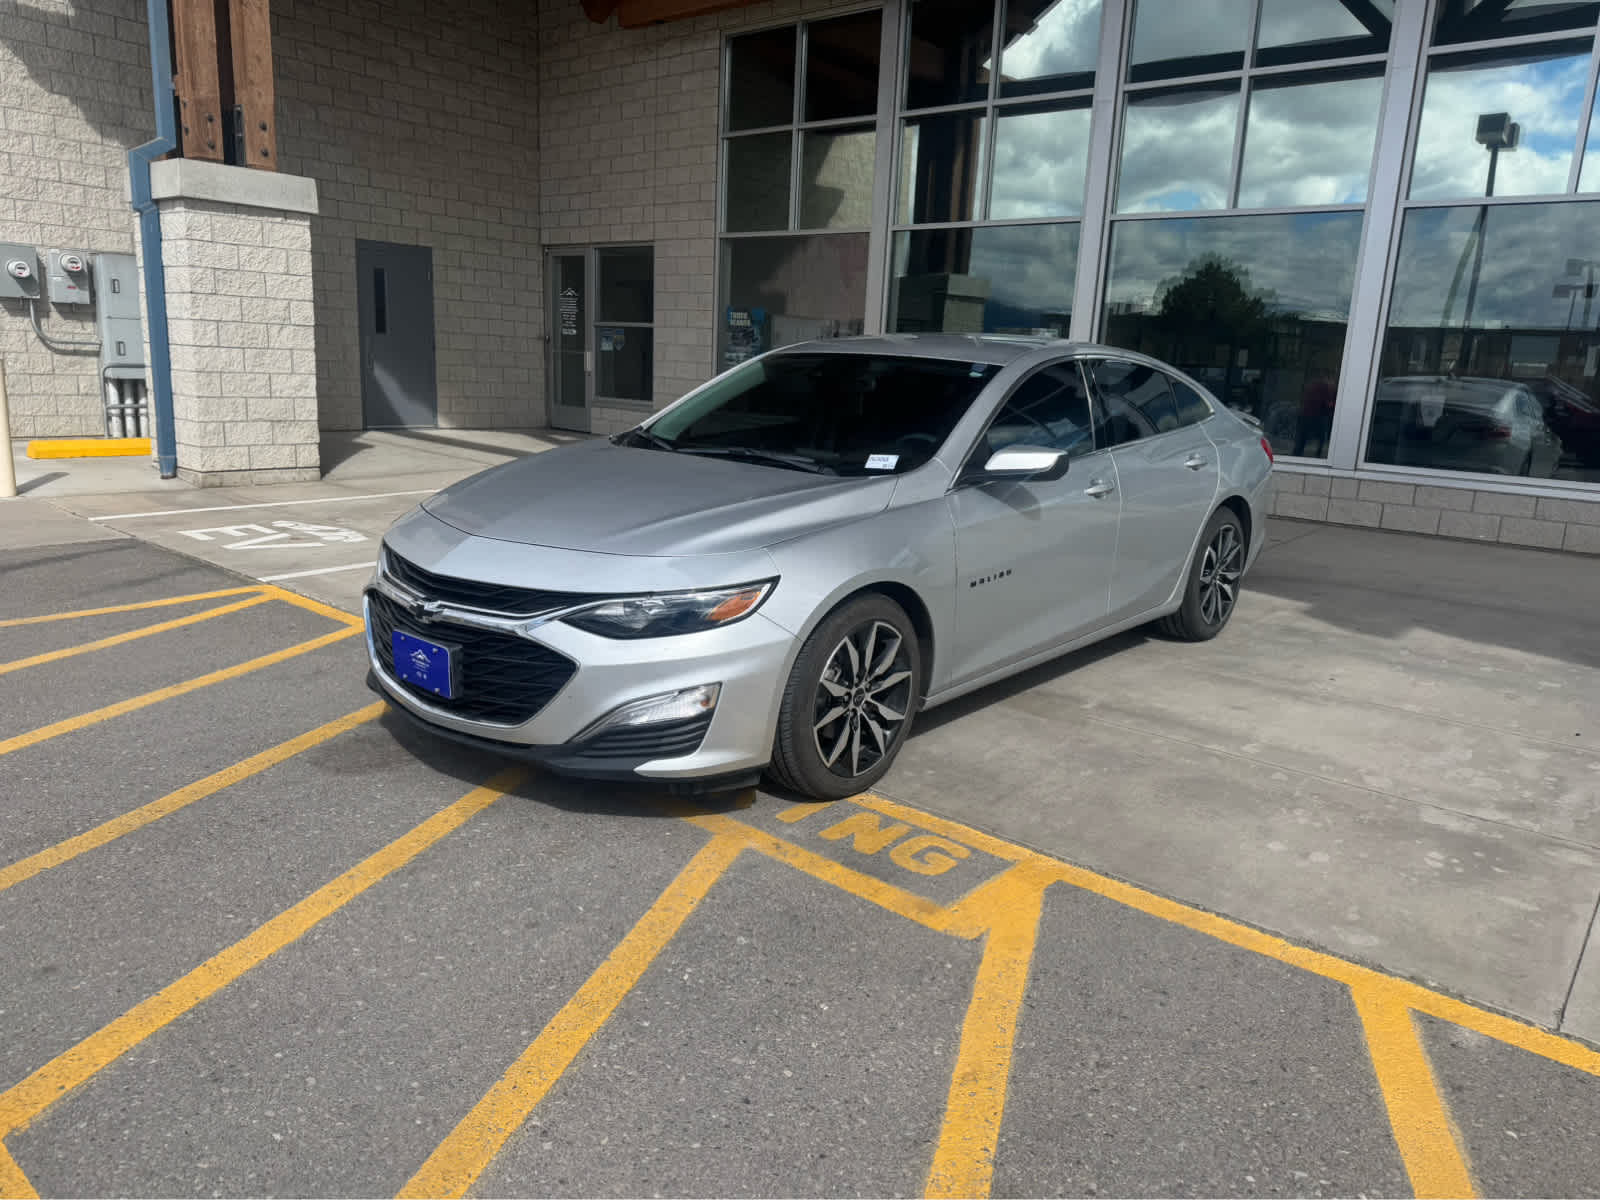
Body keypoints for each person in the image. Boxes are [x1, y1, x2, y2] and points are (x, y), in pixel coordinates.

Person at [1294, 370, 1337, 457]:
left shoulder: (1311, 385)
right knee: (1321, 439)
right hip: (1317, 416)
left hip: (1306, 414)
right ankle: (1317, 456)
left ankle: (1297, 454)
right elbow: (1327, 403)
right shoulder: (1326, 387)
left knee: (1302, 439)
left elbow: (1304, 399)